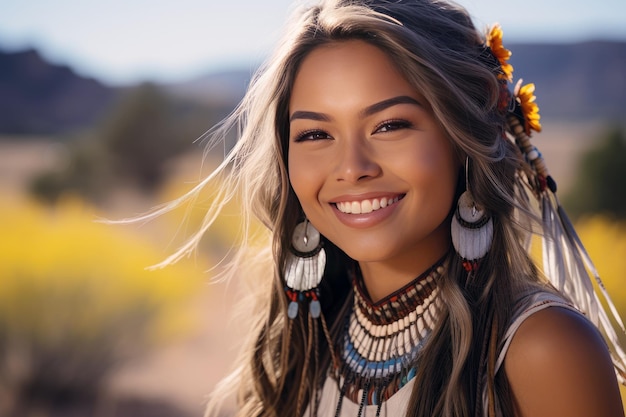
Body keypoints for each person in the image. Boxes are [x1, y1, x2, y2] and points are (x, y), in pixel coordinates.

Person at [143, 0, 626, 415]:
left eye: (390, 125)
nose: (351, 168)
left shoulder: (542, 350)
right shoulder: (306, 346)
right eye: (315, 134)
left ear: (462, 137)